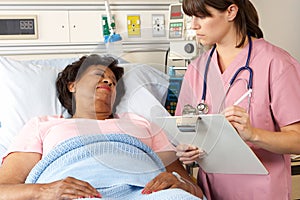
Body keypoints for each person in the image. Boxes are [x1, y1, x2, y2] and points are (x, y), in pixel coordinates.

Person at [0, 54, 203, 199]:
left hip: (146, 193)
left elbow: (193, 189)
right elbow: (3, 190)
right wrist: (44, 191)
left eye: (113, 82)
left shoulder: (141, 123)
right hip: (73, 194)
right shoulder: (44, 125)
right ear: (73, 85)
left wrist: (180, 184)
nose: (108, 81)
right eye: (99, 75)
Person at [175, 0, 300, 199]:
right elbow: (183, 130)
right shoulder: (196, 70)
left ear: (231, 11)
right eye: (192, 17)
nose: (194, 25)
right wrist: (184, 150)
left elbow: (297, 139)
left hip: (261, 191)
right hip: (211, 190)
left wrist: (253, 134)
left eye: (202, 16)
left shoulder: (276, 63)